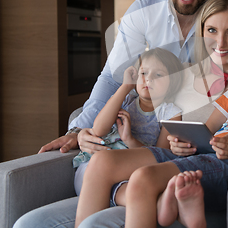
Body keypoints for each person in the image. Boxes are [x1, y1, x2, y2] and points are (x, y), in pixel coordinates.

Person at [76, 31, 228, 228]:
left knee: (143, 178)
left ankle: (174, 202)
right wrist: (181, 140)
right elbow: (207, 129)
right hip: (206, 151)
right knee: (101, 163)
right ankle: (172, 203)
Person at [38, 0, 218, 156]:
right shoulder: (144, 10)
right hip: (151, 123)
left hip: (200, 118)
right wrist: (78, 129)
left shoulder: (224, 11)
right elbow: (113, 77)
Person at [72, 48, 184, 195]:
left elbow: (161, 157)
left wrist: (129, 140)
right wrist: (125, 87)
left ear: (173, 82)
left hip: (133, 168)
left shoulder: (170, 113)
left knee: (132, 188)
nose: (148, 78)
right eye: (143, 73)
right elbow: (98, 130)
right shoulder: (126, 99)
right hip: (96, 165)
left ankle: (156, 203)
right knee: (91, 177)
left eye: (158, 75)